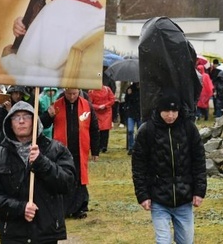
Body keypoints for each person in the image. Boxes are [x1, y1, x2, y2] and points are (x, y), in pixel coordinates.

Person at [0, 101, 76, 244]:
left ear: (35, 121)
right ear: (9, 123)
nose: (21, 121)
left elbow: (67, 184)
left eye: (26, 116)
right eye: (16, 117)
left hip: (46, 233)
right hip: (13, 234)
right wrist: (20, 208)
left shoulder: (56, 150)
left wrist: (42, 163)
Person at [1, 0, 105, 87]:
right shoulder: (101, 13)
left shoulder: (56, 9)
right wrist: (28, 24)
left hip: (50, 84)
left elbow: (27, 62)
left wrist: (7, 57)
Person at [131, 93, 207, 244]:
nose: (170, 115)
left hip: (184, 198)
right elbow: (139, 165)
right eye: (166, 111)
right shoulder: (147, 130)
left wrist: (199, 191)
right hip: (158, 198)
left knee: (186, 241)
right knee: (163, 240)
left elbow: (199, 161)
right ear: (159, 110)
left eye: (174, 111)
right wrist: (142, 195)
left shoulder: (189, 129)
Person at [41, 88, 100, 219]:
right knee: (63, 178)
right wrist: (48, 115)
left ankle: (79, 207)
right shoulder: (56, 105)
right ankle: (63, 207)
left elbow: (94, 128)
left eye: (74, 94)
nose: (72, 97)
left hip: (80, 149)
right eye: (69, 94)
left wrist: (95, 150)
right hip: (62, 151)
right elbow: (43, 124)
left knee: (79, 179)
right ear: (64, 92)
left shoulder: (87, 105)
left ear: (79, 91)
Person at [88, 84, 115, 153]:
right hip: (97, 112)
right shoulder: (91, 91)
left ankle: (104, 146)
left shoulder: (107, 89)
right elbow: (89, 103)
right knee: (97, 129)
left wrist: (105, 105)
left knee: (105, 130)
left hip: (106, 112)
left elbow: (112, 99)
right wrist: (98, 107)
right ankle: (98, 146)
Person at [125, 82, 142, 154]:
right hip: (131, 113)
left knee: (140, 131)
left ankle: (139, 147)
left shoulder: (143, 88)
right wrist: (129, 95)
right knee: (130, 130)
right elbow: (126, 101)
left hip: (140, 113)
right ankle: (131, 147)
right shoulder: (130, 88)